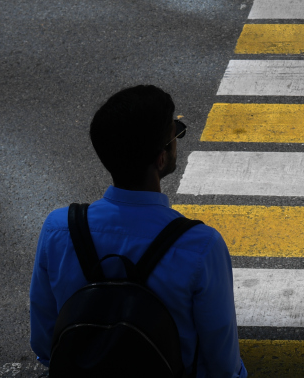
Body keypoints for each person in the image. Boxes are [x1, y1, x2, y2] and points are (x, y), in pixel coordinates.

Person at [29, 85, 247, 377]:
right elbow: (223, 365)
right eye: (176, 134)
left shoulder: (59, 229)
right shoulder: (201, 246)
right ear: (161, 158)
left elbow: (45, 344)